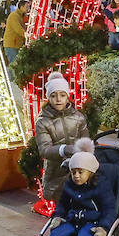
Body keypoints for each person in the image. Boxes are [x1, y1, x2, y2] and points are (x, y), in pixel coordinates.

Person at [17, 149, 114, 236]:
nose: (76, 176)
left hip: (91, 222)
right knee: (56, 233)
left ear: (91, 172)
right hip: (73, 220)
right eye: (73, 172)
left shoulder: (100, 186)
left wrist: (103, 227)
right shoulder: (70, 184)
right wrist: (58, 216)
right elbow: (63, 204)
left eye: (81, 172)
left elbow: (109, 208)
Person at [34, 72, 91, 206]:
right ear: (48, 97)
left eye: (62, 95)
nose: (58, 99)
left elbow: (86, 143)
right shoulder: (43, 122)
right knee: (62, 207)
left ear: (67, 96)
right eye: (53, 96)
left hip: (78, 170)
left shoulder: (78, 118)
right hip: (56, 173)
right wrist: (64, 149)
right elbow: (45, 150)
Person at [1, 0, 28, 65]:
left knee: (16, 66)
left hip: (16, 44)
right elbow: (18, 29)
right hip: (12, 45)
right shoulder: (14, 16)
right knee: (14, 66)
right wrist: (26, 35)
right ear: (21, 7)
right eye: (27, 7)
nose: (28, 9)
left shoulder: (20, 16)